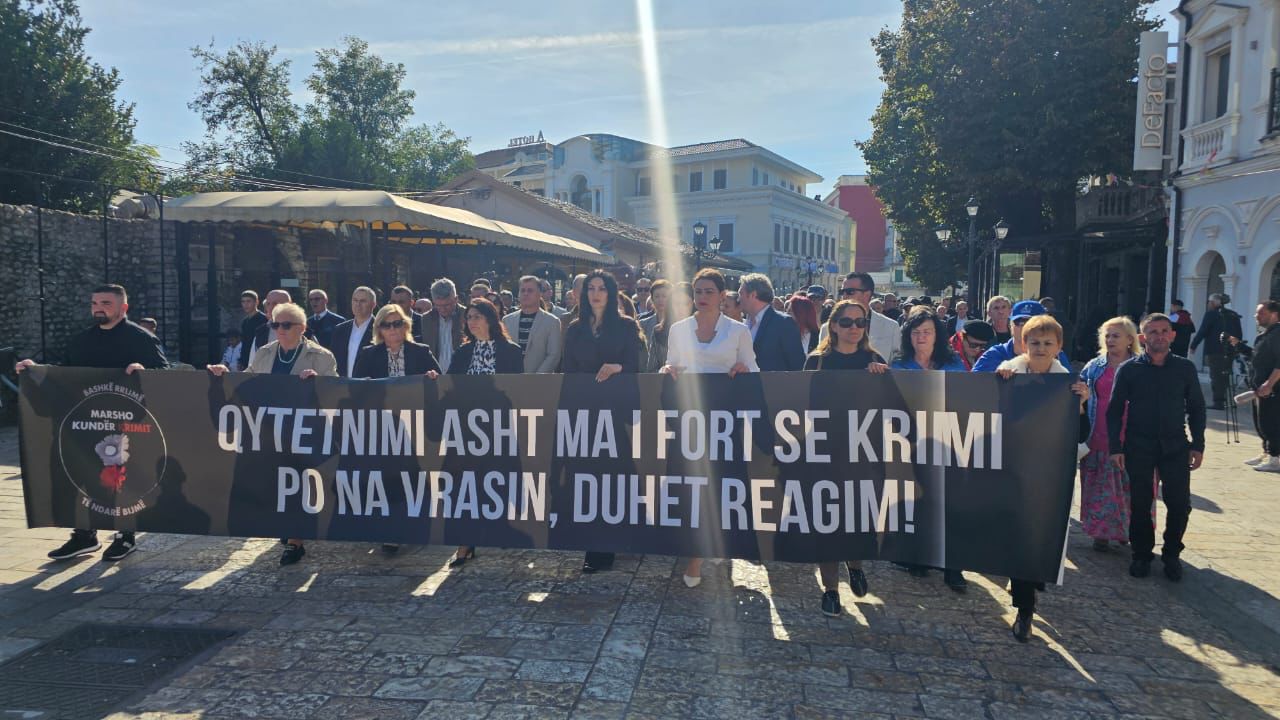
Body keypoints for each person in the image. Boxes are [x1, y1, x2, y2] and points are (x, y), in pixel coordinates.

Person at [16, 284, 168, 562]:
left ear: (123, 308)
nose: (98, 307)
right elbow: (63, 374)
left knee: (120, 479)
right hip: (85, 422)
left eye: (106, 303)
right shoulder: (81, 340)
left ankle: (125, 535)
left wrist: (145, 371)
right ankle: (84, 536)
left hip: (125, 424)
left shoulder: (141, 338)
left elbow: (164, 374)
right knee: (82, 476)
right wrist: (32, 371)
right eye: (95, 302)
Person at [207, 302, 338, 565]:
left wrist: (318, 383)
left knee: (299, 485)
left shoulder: (321, 356)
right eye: (275, 324)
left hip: (303, 433)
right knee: (278, 484)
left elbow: (335, 392)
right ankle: (287, 528)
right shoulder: (265, 353)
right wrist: (224, 375)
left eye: (286, 325)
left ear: (302, 328)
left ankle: (295, 541)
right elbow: (248, 382)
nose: (280, 329)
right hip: (269, 433)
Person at [660, 269, 759, 588]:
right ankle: (695, 552)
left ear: (721, 295)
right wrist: (667, 369)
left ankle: (705, 551)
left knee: (720, 484)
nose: (702, 297)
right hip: (689, 418)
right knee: (690, 485)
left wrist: (744, 369)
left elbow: (754, 370)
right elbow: (672, 365)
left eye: (708, 291)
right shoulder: (678, 329)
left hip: (723, 421)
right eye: (698, 291)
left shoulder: (738, 331)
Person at [995, 314, 1090, 641]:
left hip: (1046, 476)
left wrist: (1079, 405)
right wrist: (999, 383)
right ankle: (1024, 596)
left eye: (1048, 343)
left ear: (1058, 348)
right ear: (1024, 344)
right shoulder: (1008, 373)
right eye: (1034, 342)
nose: (1040, 348)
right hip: (1010, 470)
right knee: (1014, 536)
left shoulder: (1067, 384)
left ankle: (1025, 606)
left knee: (1035, 536)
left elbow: (1082, 434)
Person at [803, 300, 888, 615]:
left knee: (855, 520)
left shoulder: (874, 359)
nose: (854, 328)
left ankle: (855, 565)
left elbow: (892, 405)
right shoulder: (817, 361)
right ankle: (830, 590)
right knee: (827, 522)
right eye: (847, 322)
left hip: (862, 454)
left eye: (860, 322)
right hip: (825, 451)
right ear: (834, 326)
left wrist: (882, 377)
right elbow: (800, 405)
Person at [1109, 313, 1206, 584]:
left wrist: (1198, 445)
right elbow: (1114, 411)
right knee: (1140, 502)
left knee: (1179, 503)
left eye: (1164, 331)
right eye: (1153, 332)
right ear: (1143, 337)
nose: (1159, 336)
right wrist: (1116, 447)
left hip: (1175, 445)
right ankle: (1141, 553)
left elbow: (1197, 408)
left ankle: (1172, 553)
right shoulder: (1129, 369)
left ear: (1173, 335)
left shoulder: (1184, 369)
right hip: (1139, 445)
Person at [562, 270, 645, 573]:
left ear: (611, 294)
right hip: (584, 414)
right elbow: (567, 371)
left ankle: (613, 543)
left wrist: (617, 366)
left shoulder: (625, 326)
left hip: (616, 412)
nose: (595, 294)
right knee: (586, 480)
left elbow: (639, 366)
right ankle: (592, 545)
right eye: (591, 289)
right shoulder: (573, 329)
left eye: (602, 289)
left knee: (614, 479)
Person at [352, 303, 442, 555]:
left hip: (415, 425)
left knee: (415, 476)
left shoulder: (421, 352)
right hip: (382, 427)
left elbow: (440, 382)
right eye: (387, 324)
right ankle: (391, 530)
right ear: (379, 329)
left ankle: (416, 525)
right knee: (388, 477)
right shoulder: (369, 354)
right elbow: (355, 388)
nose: (393, 329)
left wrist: (433, 377)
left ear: (406, 325)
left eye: (397, 323)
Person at [890, 308, 969, 588]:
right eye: (916, 332)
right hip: (913, 444)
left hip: (948, 442)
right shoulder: (899, 365)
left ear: (938, 335)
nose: (921, 337)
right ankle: (919, 556)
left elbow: (967, 396)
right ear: (908, 336)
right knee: (920, 500)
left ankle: (953, 566)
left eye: (927, 332)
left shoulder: (953, 363)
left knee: (951, 503)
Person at [1078, 317, 1142, 551]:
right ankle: (1101, 533)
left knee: (1129, 487)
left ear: (1129, 339)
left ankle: (1127, 530)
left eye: (1116, 335)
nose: (1110, 339)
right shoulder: (1094, 366)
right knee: (1098, 486)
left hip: (1131, 434)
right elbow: (1079, 390)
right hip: (1098, 431)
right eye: (1107, 335)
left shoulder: (1140, 365)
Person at [1232, 301, 1280, 471]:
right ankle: (1267, 452)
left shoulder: (1277, 334)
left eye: (1261, 313)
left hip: (1273, 389)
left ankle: (1275, 458)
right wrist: (1239, 346)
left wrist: (1269, 383)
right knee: (1261, 422)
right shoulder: (1266, 334)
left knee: (1271, 423)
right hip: (1259, 389)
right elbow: (1256, 356)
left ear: (1274, 314)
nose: (1256, 316)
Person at [972, 301, 1072, 372]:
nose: (1024, 327)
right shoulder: (994, 355)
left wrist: (1080, 396)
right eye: (1019, 322)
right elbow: (971, 387)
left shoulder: (1057, 355)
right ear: (1011, 325)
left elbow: (1067, 390)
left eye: (1031, 323)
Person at [822, 273, 899, 362]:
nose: (844, 296)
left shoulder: (891, 326)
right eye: (842, 292)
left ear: (867, 294)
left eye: (850, 292)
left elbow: (896, 364)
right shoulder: (827, 328)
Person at [739, 273, 805, 371]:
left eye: (741, 294)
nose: (738, 298)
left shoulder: (783, 324)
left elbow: (797, 366)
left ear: (753, 295)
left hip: (774, 385)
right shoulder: (742, 325)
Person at [1190, 293, 1243, 409]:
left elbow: (1203, 331)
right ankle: (1226, 400)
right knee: (1225, 376)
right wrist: (1237, 347)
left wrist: (1193, 345)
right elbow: (1239, 334)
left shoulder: (1211, 315)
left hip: (1215, 350)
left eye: (1209, 302)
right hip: (1230, 351)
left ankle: (1218, 402)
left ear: (1213, 303)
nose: (1208, 304)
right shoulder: (1233, 315)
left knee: (1216, 376)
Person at [502, 275, 563, 373]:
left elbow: (554, 355)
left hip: (539, 382)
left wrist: (536, 378)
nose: (526, 293)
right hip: (511, 381)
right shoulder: (507, 320)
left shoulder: (552, 321)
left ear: (539, 294)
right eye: (522, 290)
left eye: (530, 290)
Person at [645, 282, 692, 373]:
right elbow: (651, 369)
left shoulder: (703, 330)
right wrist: (664, 370)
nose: (680, 308)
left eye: (685, 303)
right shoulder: (659, 331)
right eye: (676, 303)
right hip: (667, 383)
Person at [331, 286, 377, 378]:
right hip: (342, 388)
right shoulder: (340, 330)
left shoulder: (381, 329)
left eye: (363, 301)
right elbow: (332, 361)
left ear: (373, 305)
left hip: (370, 388)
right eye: (355, 300)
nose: (358, 304)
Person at [422, 278, 465, 372]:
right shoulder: (426, 319)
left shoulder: (467, 316)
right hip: (435, 375)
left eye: (447, 305)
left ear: (456, 299)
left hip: (461, 374)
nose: (443, 309)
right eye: (438, 305)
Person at [247, 289, 293, 365]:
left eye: (275, 304)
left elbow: (317, 364)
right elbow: (252, 365)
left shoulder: (304, 332)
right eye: (268, 304)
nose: (271, 308)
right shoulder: (261, 333)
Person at [237, 290, 268, 370]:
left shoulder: (264, 319)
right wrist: (241, 360)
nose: (245, 304)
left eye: (248, 301)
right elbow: (245, 342)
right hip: (246, 361)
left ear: (256, 302)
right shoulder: (244, 322)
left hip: (260, 360)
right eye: (243, 301)